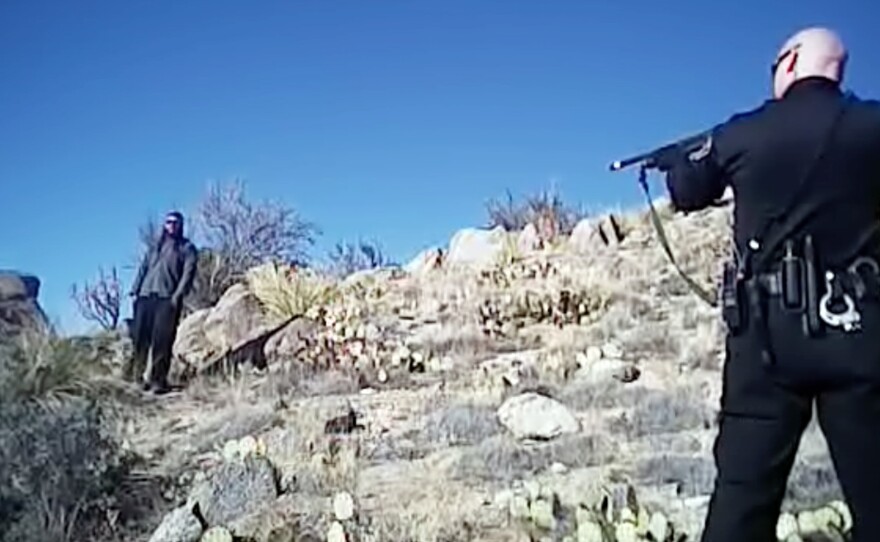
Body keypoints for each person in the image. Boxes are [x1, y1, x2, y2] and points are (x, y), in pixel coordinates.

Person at [654, 27, 880, 542]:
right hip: (859, 331)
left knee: (742, 501)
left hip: (766, 340)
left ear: (792, 61)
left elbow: (687, 192)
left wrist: (680, 165)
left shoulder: (743, 132)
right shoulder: (871, 125)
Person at [125, 210, 198, 394]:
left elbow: (188, 274)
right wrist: (135, 290)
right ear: (164, 225)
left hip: (167, 299)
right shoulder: (155, 247)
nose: (171, 225)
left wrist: (177, 296)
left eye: (175, 222)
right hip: (145, 297)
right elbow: (143, 268)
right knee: (140, 339)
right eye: (168, 222)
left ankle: (158, 381)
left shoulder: (186, 248)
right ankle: (136, 378)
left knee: (162, 342)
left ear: (181, 225)